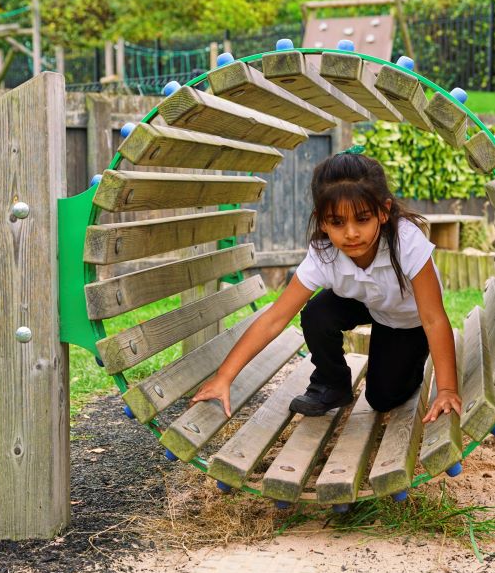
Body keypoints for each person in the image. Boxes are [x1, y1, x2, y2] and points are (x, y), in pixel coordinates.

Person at [191, 146, 461, 424]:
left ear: (383, 212)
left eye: (362, 219)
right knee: (317, 312)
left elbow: (433, 319)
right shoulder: (324, 252)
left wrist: (447, 389)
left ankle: (410, 363)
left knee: (382, 398)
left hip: (407, 321)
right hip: (368, 302)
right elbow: (275, 318)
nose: (351, 233)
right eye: (337, 222)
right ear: (322, 221)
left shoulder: (406, 241)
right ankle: (332, 384)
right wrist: (224, 377)